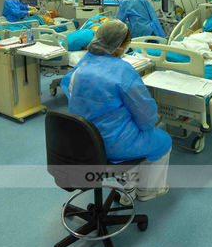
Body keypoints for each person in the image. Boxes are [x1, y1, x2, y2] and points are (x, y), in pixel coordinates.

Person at [61, 20, 172, 203]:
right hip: (114, 144)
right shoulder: (122, 71)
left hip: (84, 141)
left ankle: (128, 189)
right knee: (162, 140)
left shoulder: (81, 65)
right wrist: (150, 122)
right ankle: (147, 190)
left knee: (131, 134)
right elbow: (146, 117)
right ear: (120, 45)